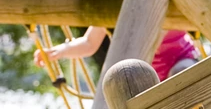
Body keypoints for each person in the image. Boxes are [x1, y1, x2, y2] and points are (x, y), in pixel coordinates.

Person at [34, 26, 201, 80]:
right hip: (144, 73)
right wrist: (60, 51)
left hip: (180, 59)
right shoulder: (118, 4)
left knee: (181, 72)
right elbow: (89, 43)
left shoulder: (166, 0)